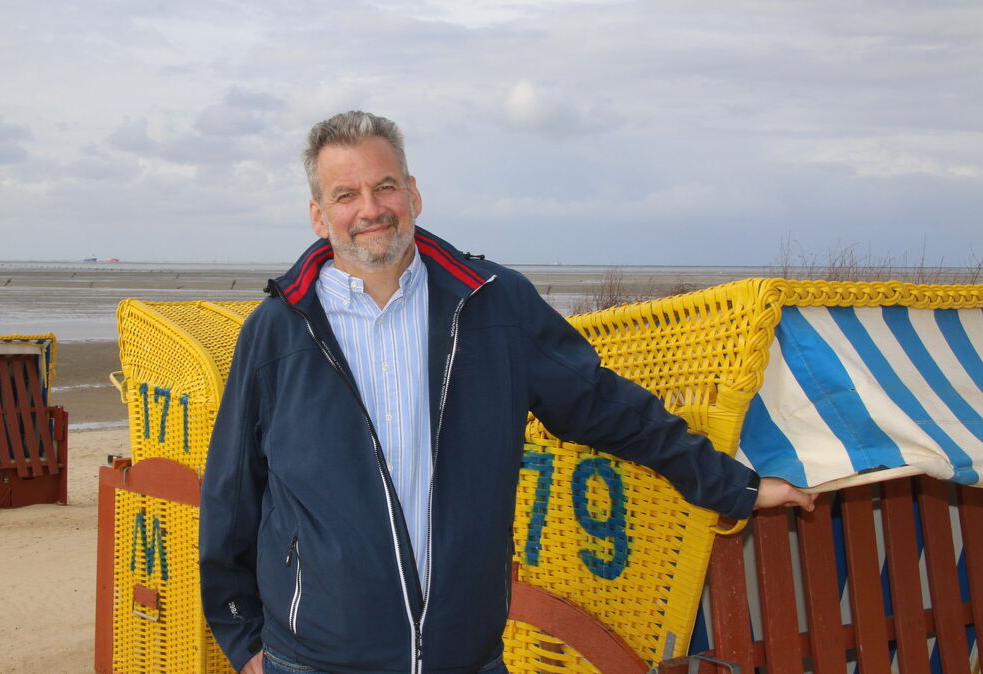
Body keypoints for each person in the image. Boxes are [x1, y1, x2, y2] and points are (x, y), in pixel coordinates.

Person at [199, 111, 814, 674]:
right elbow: (232, 491)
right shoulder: (278, 330)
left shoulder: (494, 305)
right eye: (346, 194)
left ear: (413, 193)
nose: (371, 207)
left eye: (385, 186)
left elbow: (603, 405)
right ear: (318, 214)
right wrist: (243, 640)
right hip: (313, 659)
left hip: (465, 656)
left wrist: (737, 485)